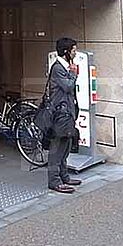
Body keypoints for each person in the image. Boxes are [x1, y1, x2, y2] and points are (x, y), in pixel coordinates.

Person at [47, 37, 82, 194]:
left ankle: (64, 176)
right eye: (73, 50)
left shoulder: (65, 67)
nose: (75, 53)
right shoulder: (57, 68)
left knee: (66, 146)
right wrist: (73, 74)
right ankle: (54, 181)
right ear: (66, 51)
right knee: (57, 148)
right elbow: (68, 87)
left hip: (68, 112)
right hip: (60, 114)